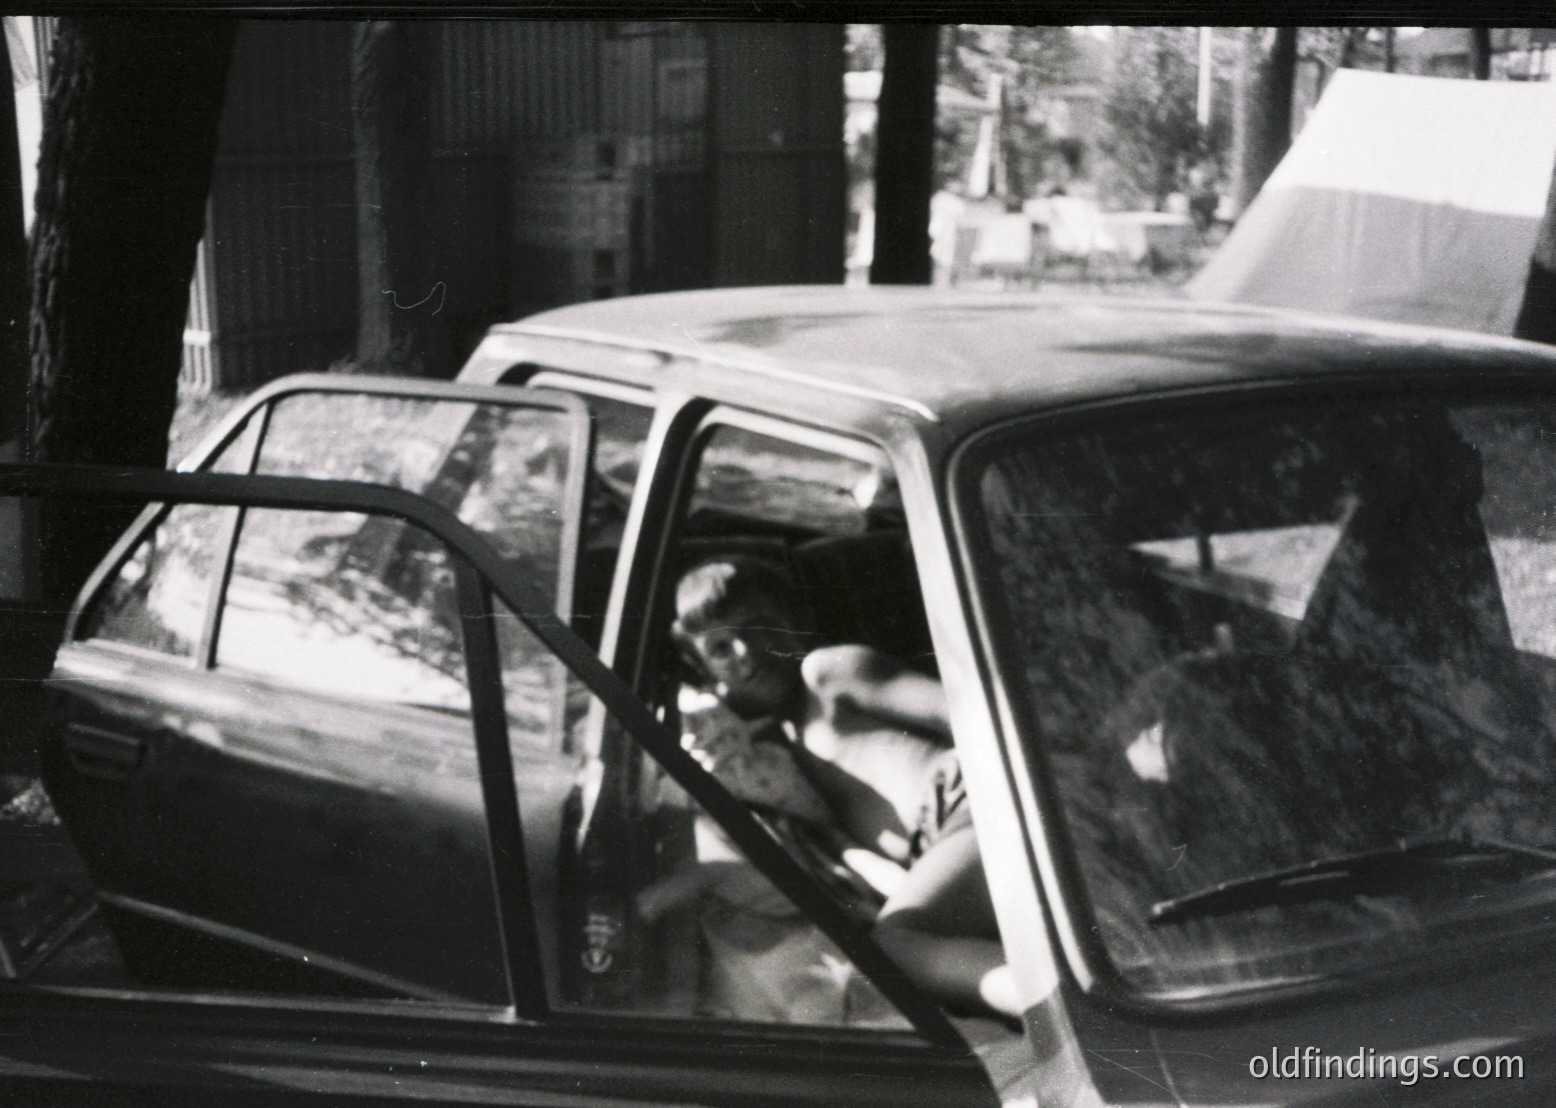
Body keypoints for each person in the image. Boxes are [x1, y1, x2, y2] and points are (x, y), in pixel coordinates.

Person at [667, 554, 1020, 1021]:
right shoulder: (770, 752)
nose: (745, 651)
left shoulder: (828, 675)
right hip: (944, 847)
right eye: (720, 649)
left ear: (794, 620)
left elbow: (979, 720)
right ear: (706, 671)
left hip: (975, 802)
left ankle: (1060, 1001)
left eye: (759, 627)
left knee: (896, 948)